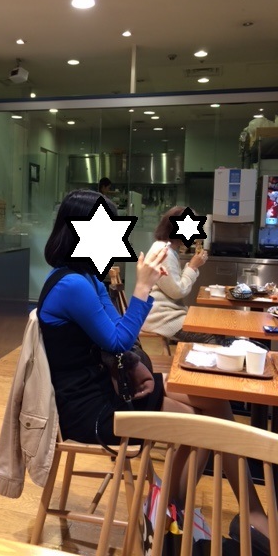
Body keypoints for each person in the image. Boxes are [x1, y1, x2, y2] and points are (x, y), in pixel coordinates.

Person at [37, 190, 270, 549]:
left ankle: (230, 512)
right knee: (200, 426)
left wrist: (134, 362)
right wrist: (143, 286)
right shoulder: (71, 284)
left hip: (110, 388)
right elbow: (119, 339)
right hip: (89, 409)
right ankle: (168, 514)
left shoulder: (87, 279)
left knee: (214, 401)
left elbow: (120, 335)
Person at [142, 205, 217, 344]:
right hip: (162, 318)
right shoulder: (164, 252)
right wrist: (193, 266)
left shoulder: (164, 248)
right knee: (210, 336)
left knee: (211, 328)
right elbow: (177, 291)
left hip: (162, 313)